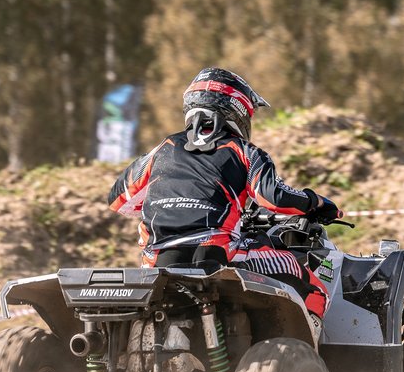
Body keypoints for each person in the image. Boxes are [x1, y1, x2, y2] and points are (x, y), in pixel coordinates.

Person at [107, 67, 341, 323]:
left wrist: (168, 202)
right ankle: (306, 347)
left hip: (157, 259)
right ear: (238, 109)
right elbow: (273, 197)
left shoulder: (163, 148)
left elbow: (119, 200)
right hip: (217, 252)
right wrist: (317, 202)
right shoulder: (245, 151)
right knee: (310, 284)